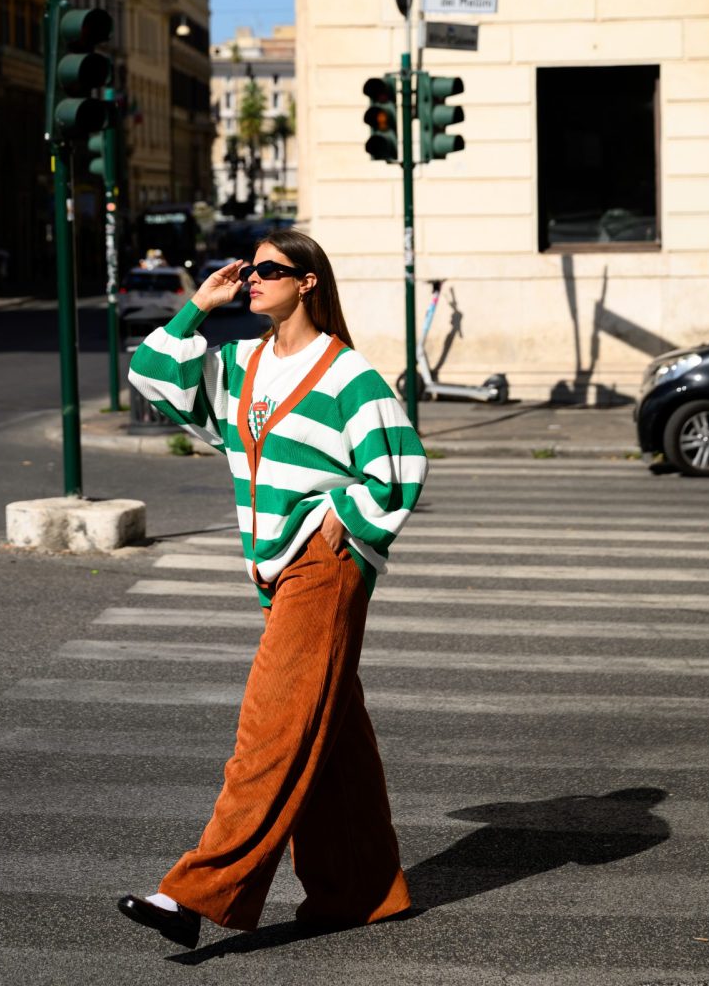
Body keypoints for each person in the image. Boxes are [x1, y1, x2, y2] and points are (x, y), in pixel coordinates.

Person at [118, 229, 428, 949]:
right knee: (330, 729)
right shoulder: (240, 365)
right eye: (248, 270)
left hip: (324, 565)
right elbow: (155, 377)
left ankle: (196, 892)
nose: (252, 280)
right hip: (273, 570)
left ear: (308, 282)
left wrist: (336, 520)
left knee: (270, 730)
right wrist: (200, 305)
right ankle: (363, 890)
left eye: (268, 271)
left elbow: (401, 467)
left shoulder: (348, 375)